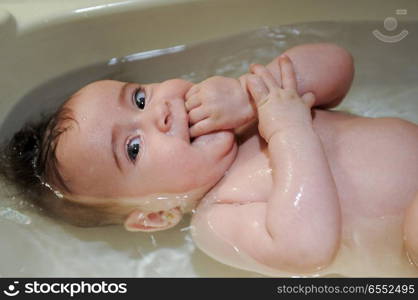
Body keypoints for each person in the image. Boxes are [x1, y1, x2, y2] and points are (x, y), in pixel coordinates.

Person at [1, 43, 417, 275]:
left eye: (139, 98)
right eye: (133, 148)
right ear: (156, 216)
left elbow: (339, 63)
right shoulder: (217, 219)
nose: (158, 113)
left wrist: (247, 95)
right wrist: (288, 129)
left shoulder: (247, 113)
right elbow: (307, 250)